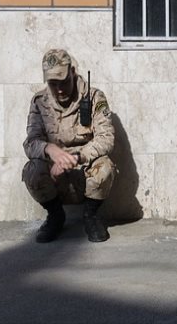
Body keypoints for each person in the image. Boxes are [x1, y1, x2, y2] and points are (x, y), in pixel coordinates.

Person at [22, 49, 116, 243]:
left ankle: (90, 216)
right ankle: (55, 216)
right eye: (53, 84)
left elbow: (106, 138)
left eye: (64, 82)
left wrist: (76, 158)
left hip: (84, 171)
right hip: (55, 176)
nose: (59, 90)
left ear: (72, 72)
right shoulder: (40, 102)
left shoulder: (94, 97)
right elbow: (30, 142)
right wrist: (50, 150)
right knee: (31, 170)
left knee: (105, 167)